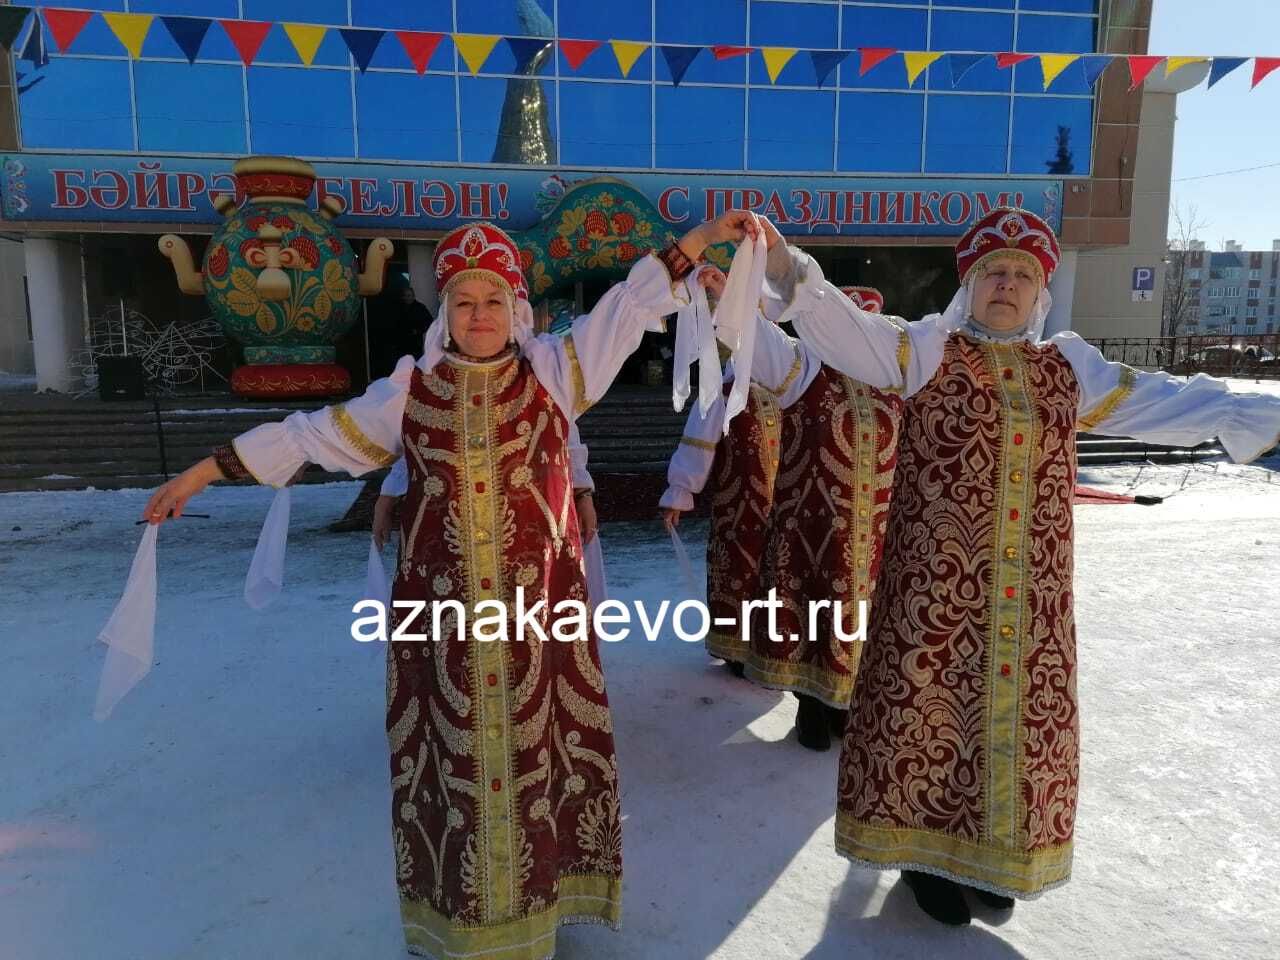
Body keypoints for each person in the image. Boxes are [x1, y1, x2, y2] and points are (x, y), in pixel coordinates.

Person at [140, 211, 762, 959]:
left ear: (517, 310)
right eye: (464, 302)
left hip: (540, 622)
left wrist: (695, 239)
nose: (478, 316)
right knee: (454, 769)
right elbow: (311, 434)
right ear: (446, 313)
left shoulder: (558, 372)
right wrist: (201, 472)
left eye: (493, 301)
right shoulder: (409, 392)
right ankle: (466, 917)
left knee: (542, 763)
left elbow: (628, 306)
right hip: (443, 629)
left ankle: (541, 907)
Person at [745, 207, 1280, 925]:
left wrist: (1257, 417)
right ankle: (923, 859)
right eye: (993, 271)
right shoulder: (928, 349)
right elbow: (849, 331)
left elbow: (1165, 399)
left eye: (1021, 275)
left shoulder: (1068, 366)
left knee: (1021, 725)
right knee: (925, 720)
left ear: (1040, 292)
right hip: (932, 590)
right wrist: (786, 267)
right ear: (969, 284)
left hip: (1031, 596)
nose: (1006, 284)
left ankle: (995, 854)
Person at [660, 267, 785, 677]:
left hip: (785, 507)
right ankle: (733, 647)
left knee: (779, 578)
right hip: (739, 507)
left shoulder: (791, 385)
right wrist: (680, 491)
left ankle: (771, 646)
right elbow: (699, 440)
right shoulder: (725, 389)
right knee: (738, 570)